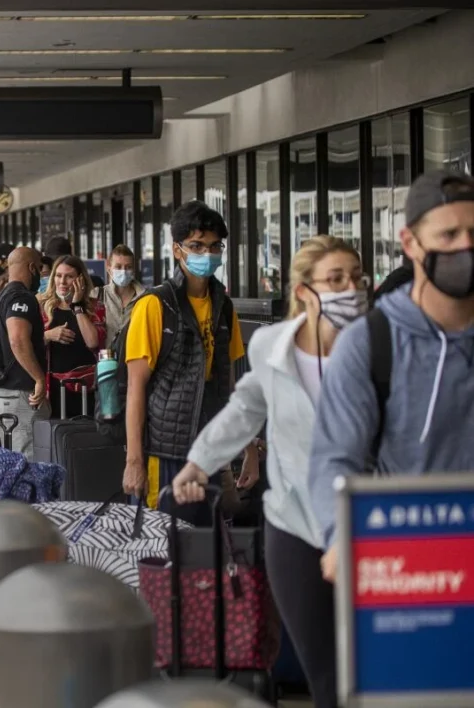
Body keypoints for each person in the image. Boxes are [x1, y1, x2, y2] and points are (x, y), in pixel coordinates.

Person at [170, 236, 366, 708]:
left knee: (375, 664)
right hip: (294, 522)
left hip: (367, 521)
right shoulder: (272, 347)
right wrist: (199, 463)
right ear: (303, 290)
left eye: (356, 279)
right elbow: (246, 408)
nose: (351, 290)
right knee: (325, 670)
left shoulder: (378, 346)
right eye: (336, 280)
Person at [310, 170, 474, 585]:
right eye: (449, 235)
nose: (466, 247)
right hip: (411, 563)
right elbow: (335, 457)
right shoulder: (371, 343)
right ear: (410, 244)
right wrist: (339, 536)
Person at [123, 200, 254, 525]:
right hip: (163, 451)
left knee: (206, 549)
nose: (205, 254)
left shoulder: (224, 307)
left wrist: (250, 447)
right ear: (177, 250)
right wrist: (134, 460)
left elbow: (231, 387)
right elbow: (135, 389)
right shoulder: (155, 305)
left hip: (209, 451)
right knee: (160, 547)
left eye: (213, 246)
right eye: (196, 245)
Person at [0, 247, 49, 454]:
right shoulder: (21, 297)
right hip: (21, 392)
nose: (41, 274)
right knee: (29, 457)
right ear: (31, 267)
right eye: (40, 268)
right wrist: (39, 378)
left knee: (11, 456)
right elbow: (18, 340)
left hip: (3, 391)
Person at [37, 255, 106, 417]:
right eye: (59, 276)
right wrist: (48, 335)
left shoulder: (94, 306)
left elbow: (93, 342)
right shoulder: (42, 305)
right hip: (53, 385)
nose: (62, 281)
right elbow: (30, 344)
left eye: (69, 276)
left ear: (80, 279)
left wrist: (77, 306)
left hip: (87, 384)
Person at [102, 244, 146, 346]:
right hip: (106, 359)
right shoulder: (99, 295)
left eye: (128, 267)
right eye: (118, 266)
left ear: (134, 269)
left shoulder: (145, 297)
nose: (123, 271)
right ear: (109, 268)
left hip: (134, 358)